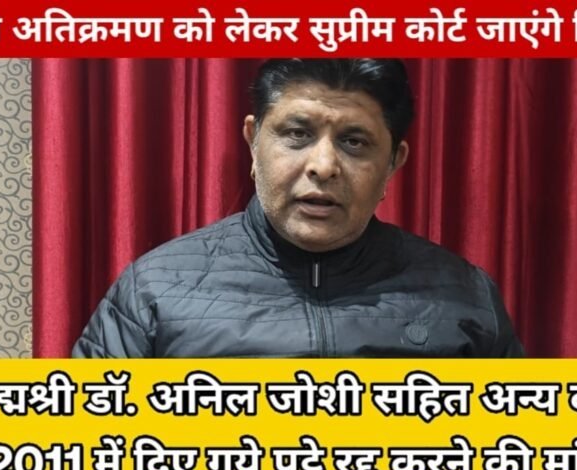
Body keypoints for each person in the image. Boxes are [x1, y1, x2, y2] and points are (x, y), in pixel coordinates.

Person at [72, 59, 524, 358]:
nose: (323, 166)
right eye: (297, 134)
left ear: (393, 163)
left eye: (354, 142)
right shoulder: (155, 291)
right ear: (253, 142)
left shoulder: (464, 295)